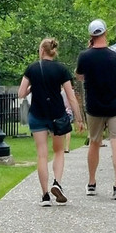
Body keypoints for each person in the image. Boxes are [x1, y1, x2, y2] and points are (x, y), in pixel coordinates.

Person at [17, 38, 81, 206]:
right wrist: (79, 118)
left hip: (37, 115)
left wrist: (33, 86)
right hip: (58, 115)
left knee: (42, 155)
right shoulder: (61, 70)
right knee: (59, 151)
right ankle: (57, 183)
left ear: (41, 50)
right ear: (53, 51)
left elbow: (21, 93)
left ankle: (45, 195)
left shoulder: (32, 68)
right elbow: (71, 96)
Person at [75, 19, 116, 200]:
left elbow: (80, 76)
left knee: (94, 143)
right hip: (115, 106)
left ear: (91, 36)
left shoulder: (84, 56)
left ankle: (91, 182)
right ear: (105, 32)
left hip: (94, 106)